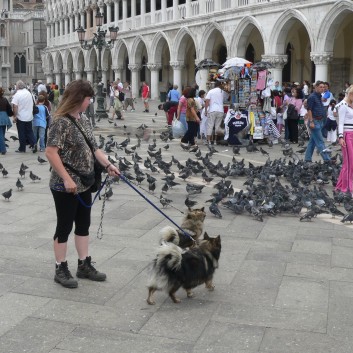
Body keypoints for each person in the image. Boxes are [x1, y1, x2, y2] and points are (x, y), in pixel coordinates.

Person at [45, 79, 120, 289]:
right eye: (89, 99)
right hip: (64, 185)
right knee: (64, 226)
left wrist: (108, 165)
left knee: (83, 225)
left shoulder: (83, 118)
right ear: (79, 98)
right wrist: (67, 179)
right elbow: (51, 152)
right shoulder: (60, 121)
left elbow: (94, 148)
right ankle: (60, 268)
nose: (90, 102)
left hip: (85, 183)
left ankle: (83, 264)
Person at [304, 81, 331, 163]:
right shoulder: (312, 97)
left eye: (324, 87)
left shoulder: (319, 96)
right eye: (321, 87)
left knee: (312, 142)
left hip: (320, 121)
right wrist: (311, 121)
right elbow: (309, 109)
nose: (323, 88)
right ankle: (327, 159)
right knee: (320, 141)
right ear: (316, 87)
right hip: (314, 121)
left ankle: (307, 159)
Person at [11, 80, 36, 153]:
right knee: (29, 131)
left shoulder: (17, 94)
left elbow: (15, 106)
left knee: (21, 132)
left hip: (21, 116)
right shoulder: (29, 93)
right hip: (29, 116)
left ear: (18, 86)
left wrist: (14, 116)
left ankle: (22, 148)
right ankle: (34, 143)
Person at [204, 80, 225, 145]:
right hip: (220, 110)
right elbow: (228, 97)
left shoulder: (211, 91)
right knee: (217, 126)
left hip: (212, 110)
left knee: (210, 125)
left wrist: (205, 110)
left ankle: (209, 141)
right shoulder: (222, 92)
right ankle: (215, 141)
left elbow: (207, 101)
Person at [0, 87, 13, 155]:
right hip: (4, 117)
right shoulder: (4, 99)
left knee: (0, 134)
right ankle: (2, 147)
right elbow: (9, 108)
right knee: (2, 133)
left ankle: (3, 149)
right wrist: (11, 114)